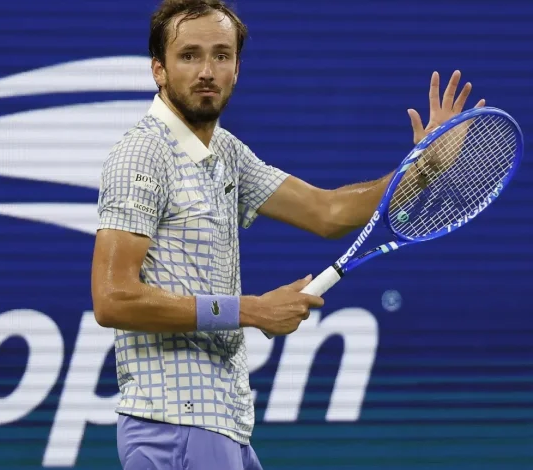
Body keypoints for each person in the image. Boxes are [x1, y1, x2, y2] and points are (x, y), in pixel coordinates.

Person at [91, 1, 484, 468]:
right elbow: (113, 298)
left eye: (221, 55)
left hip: (221, 425)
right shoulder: (142, 156)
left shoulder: (225, 153)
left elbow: (328, 211)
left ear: (236, 69)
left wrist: (423, 168)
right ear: (159, 69)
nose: (207, 71)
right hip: (176, 427)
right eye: (189, 55)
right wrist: (252, 310)